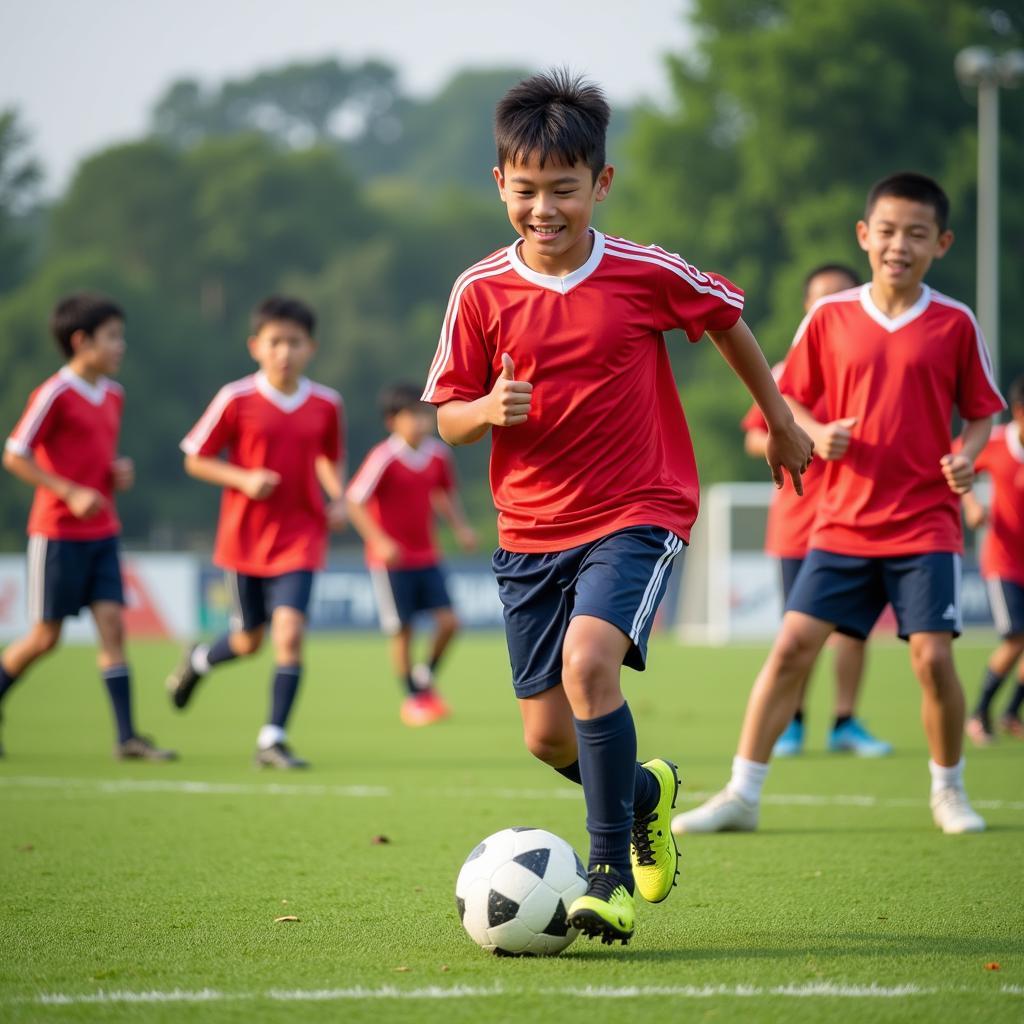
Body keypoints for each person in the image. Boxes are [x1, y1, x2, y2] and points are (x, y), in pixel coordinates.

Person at [421, 69, 813, 946]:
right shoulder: (478, 291)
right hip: (528, 531)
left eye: (564, 190)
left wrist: (781, 421)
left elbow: (726, 321)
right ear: (500, 186)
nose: (544, 209)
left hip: (640, 507)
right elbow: (446, 416)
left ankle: (606, 879)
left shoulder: (643, 271)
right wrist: (486, 411)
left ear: (601, 183)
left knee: (589, 662)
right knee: (546, 738)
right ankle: (645, 796)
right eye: (526, 191)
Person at [674, 172, 1005, 838]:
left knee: (934, 659)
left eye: (916, 234)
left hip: (925, 526)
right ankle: (742, 793)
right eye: (886, 231)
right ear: (864, 236)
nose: (898, 246)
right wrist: (814, 432)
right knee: (792, 649)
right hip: (841, 523)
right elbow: (783, 393)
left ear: (940, 243)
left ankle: (949, 790)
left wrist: (967, 453)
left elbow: (981, 416)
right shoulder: (828, 316)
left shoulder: (955, 322)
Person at [165, 295, 346, 769]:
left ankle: (272, 739)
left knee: (288, 634)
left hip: (302, 536)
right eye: (275, 342)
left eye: (295, 342)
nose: (285, 351)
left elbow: (328, 456)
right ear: (255, 347)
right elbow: (195, 458)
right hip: (245, 540)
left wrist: (338, 496)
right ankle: (199, 661)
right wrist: (243, 478)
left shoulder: (327, 404)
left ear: (312, 347)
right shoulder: (235, 398)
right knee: (248, 642)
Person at [0, 293, 175, 761]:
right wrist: (69, 491)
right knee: (45, 638)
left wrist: (114, 473)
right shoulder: (54, 392)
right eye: (112, 337)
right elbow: (15, 453)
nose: (121, 346)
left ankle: (127, 738)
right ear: (81, 341)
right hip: (57, 534)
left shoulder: (113, 394)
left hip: (103, 532)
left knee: (114, 626)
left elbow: (92, 458)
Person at [741, 263, 892, 758]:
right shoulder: (784, 371)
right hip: (799, 521)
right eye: (820, 298)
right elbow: (753, 436)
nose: (829, 306)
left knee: (852, 630)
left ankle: (846, 722)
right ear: (807, 308)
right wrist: (801, 437)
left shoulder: (874, 363)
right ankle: (793, 724)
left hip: (858, 517)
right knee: (798, 631)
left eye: (841, 296)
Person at [347, 383, 477, 727]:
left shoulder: (438, 455)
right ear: (392, 421)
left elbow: (444, 496)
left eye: (425, 415)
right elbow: (354, 501)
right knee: (403, 631)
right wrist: (379, 541)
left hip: (427, 556)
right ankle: (414, 699)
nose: (421, 422)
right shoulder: (383, 457)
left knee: (450, 623)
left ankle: (423, 677)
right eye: (412, 416)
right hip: (391, 563)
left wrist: (460, 528)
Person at [963, 374, 1024, 745]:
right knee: (1016, 638)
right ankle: (979, 713)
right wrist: (970, 505)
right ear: (1018, 411)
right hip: (1003, 562)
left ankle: (1010, 713)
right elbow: (956, 460)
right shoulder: (997, 443)